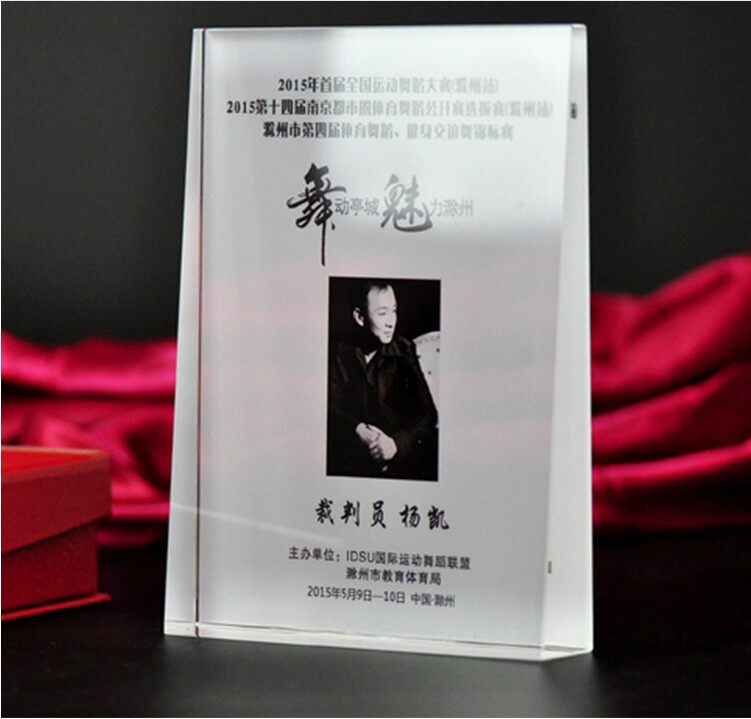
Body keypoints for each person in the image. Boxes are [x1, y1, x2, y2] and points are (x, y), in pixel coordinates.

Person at [327, 280, 438, 480]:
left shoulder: (403, 351)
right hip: (351, 462)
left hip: (398, 463)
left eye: (393, 311)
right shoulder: (337, 352)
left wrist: (395, 444)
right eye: (382, 313)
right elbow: (329, 407)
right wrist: (358, 429)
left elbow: (428, 415)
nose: (391, 321)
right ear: (360, 317)